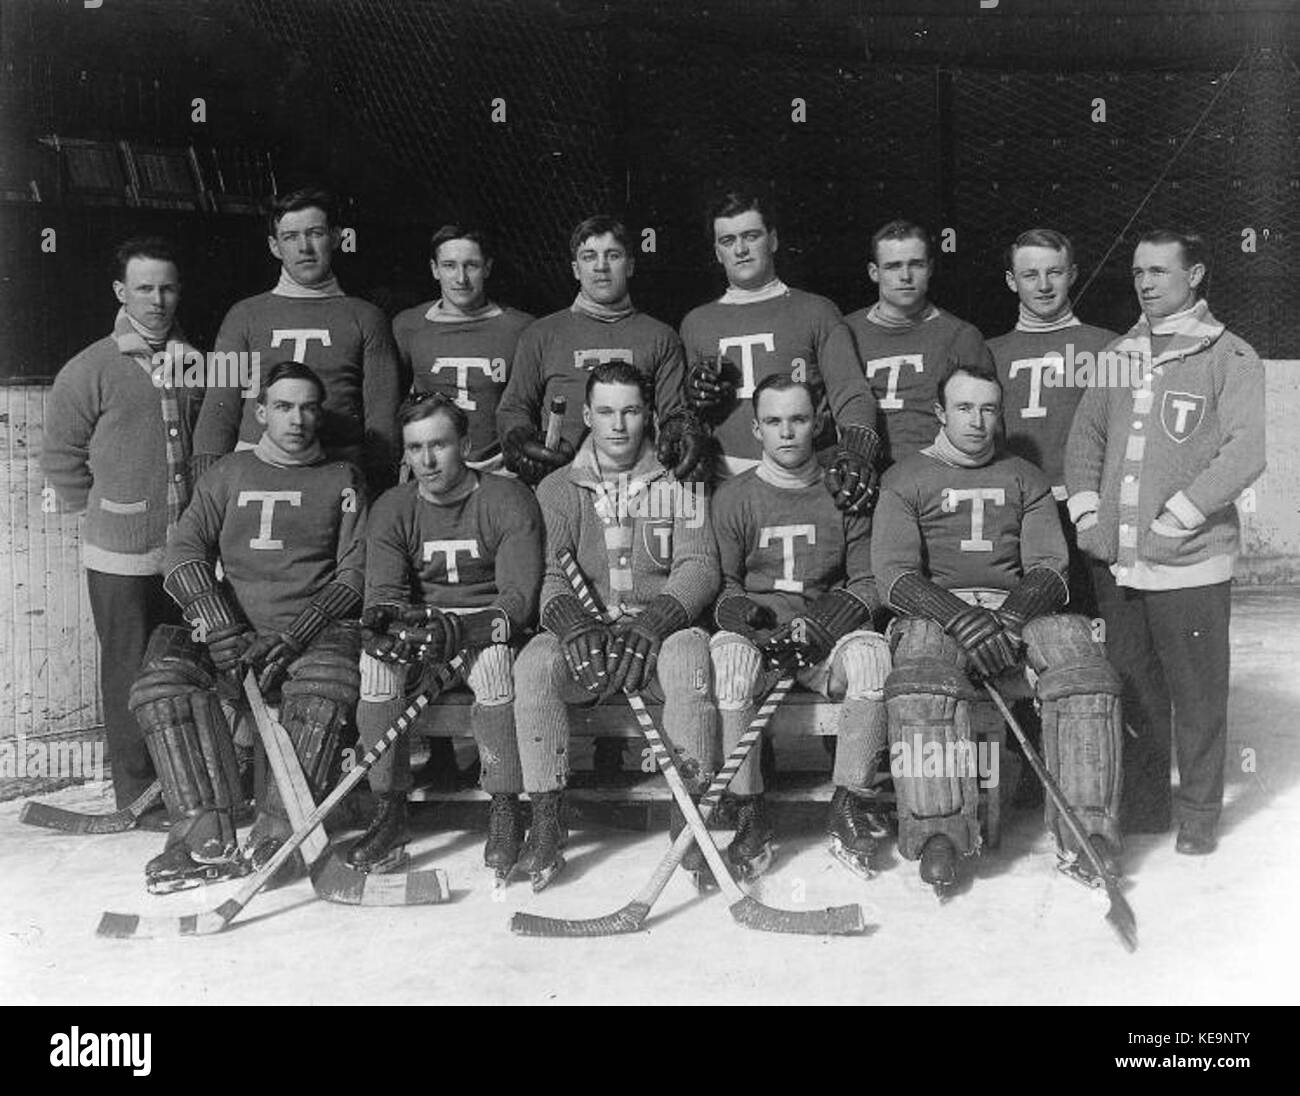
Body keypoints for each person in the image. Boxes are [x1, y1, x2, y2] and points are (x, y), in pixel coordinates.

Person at [872, 362, 1124, 893]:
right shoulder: (905, 478)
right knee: (921, 679)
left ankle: (1089, 830)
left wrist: (1009, 621)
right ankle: (937, 828)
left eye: (989, 408)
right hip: (936, 613)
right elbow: (893, 576)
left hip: (1017, 610)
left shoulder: (1024, 476)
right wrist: (962, 619)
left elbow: (1050, 567)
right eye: (964, 407)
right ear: (941, 412)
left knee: (1084, 668)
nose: (978, 420)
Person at [128, 362, 366, 892]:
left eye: (307, 407)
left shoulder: (342, 477)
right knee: (161, 684)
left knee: (328, 681)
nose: (297, 419)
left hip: (309, 634)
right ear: (261, 413)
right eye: (283, 407)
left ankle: (280, 834)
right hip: (232, 631)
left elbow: (355, 571)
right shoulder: (228, 472)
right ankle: (200, 836)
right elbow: (182, 549)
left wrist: (297, 633)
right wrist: (216, 623)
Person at [1065, 228, 1266, 855]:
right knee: (1135, 689)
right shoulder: (1118, 354)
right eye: (1138, 273)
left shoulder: (1231, 355)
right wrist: (1089, 517)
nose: (1146, 283)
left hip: (1190, 561)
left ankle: (1200, 813)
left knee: (1198, 694)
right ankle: (1148, 807)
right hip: (1119, 564)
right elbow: (1085, 441)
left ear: (1196, 274)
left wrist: (1178, 516)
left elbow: (1246, 452)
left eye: (1159, 271)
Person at [512, 361, 719, 891]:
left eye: (630, 410)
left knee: (691, 654)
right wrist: (573, 625)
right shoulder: (560, 487)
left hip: (655, 637)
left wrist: (656, 621)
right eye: (606, 411)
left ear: (648, 413)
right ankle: (546, 818)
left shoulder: (681, 480)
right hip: (590, 641)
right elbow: (552, 574)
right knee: (535, 662)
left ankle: (689, 819)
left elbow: (698, 565)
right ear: (587, 415)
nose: (619, 424)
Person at [41, 236, 201, 825]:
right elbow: (60, 458)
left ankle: (188, 784)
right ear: (120, 292)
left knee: (181, 668)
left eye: (167, 288)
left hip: (185, 554)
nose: (157, 300)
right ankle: (136, 793)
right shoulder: (89, 368)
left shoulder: (196, 362)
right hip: (120, 554)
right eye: (144, 288)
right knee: (129, 670)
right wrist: (110, 509)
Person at [353, 394, 543, 878]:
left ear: (466, 443)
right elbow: (386, 592)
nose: (427, 460)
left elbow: (518, 599)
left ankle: (504, 805)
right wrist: (389, 627)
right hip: (426, 635)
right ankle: (390, 811)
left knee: (496, 664)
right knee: (376, 666)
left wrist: (467, 628)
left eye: (439, 445)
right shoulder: (394, 506)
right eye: (415, 448)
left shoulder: (506, 497)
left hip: (484, 632)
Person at [710, 376, 889, 882]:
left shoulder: (845, 490)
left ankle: (849, 803)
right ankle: (749, 813)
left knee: (873, 658)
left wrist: (825, 626)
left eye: (799, 419)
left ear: (819, 422)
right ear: (755, 429)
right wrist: (753, 627)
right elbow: (721, 587)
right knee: (730, 664)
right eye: (773, 422)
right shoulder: (733, 496)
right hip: (763, 638)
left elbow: (869, 582)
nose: (787, 433)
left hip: (823, 640)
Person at [192, 187, 404, 493]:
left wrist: (379, 488)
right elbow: (218, 406)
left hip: (338, 473)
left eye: (315, 233)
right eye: (290, 237)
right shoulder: (243, 315)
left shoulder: (367, 317)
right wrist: (207, 488)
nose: (304, 247)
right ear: (274, 246)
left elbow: (381, 417)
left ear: (335, 237)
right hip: (255, 471)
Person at [680, 190, 880, 510]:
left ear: (772, 240)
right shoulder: (696, 323)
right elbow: (685, 414)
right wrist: (693, 406)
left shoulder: (816, 311)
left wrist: (857, 449)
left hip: (807, 481)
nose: (741, 249)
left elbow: (851, 393)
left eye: (751, 236)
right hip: (727, 486)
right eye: (728, 241)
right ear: (717, 252)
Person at [496, 214, 708, 487]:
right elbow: (513, 407)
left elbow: (673, 411)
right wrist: (519, 438)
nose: (600, 267)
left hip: (638, 487)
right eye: (588, 257)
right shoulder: (541, 334)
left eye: (613, 255)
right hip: (562, 483)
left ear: (630, 265)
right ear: (575, 269)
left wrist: (681, 429)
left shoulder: (660, 336)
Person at [988, 229, 1118, 616]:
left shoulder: (1108, 346)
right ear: (1012, 281)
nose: (1043, 286)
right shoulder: (987, 352)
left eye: (1055, 272)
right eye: (1030, 275)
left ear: (1073, 274)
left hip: (1088, 510)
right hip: (1019, 513)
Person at [843, 220, 993, 467]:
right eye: (892, 266)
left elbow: (986, 424)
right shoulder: (845, 332)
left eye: (916, 264)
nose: (905, 276)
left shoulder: (961, 336)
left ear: (930, 268)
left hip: (936, 473)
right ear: (874, 272)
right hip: (863, 470)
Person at [391, 224, 533, 473]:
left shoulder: (520, 328)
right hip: (431, 467)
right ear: (434, 269)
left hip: (500, 469)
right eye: (449, 266)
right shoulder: (408, 326)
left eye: (471, 265)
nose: (461, 278)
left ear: (487, 267)